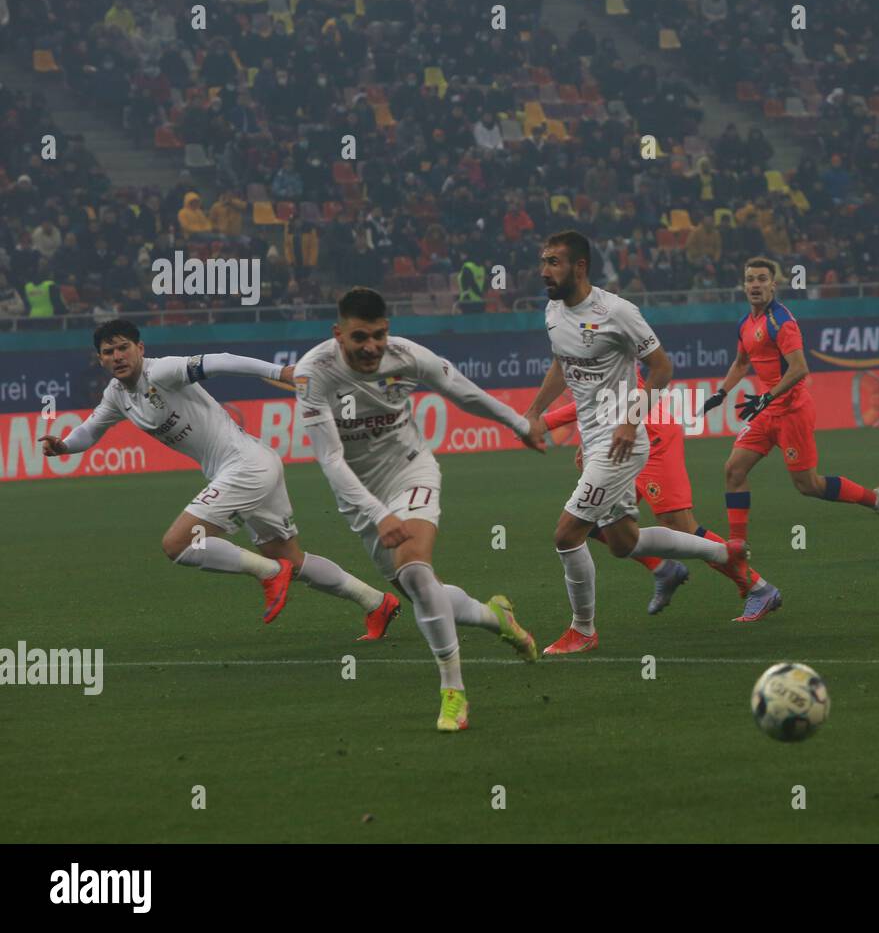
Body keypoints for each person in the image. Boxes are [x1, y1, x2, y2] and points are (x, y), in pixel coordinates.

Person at [39, 319, 401, 639]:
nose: (118, 356)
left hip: (245, 467)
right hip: (253, 465)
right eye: (109, 351)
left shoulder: (162, 372)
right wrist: (64, 445)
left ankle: (269, 573)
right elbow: (90, 430)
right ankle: (375, 602)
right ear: (100, 359)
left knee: (178, 544)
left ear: (140, 348)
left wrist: (280, 373)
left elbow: (221, 361)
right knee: (291, 556)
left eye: (123, 347)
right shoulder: (117, 396)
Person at [292, 288, 545, 732]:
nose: (371, 347)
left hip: (411, 473)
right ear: (338, 335)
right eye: (359, 338)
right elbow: (331, 460)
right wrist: (377, 514)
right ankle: (495, 618)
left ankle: (454, 694)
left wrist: (519, 423)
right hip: (360, 497)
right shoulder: (315, 373)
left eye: (379, 335)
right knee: (425, 593)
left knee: (413, 570)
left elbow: (460, 390)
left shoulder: (407, 356)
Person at [523, 231, 750, 655]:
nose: (544, 271)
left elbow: (662, 367)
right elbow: (562, 362)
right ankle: (723, 553)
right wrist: (535, 411)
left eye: (554, 262)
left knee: (567, 534)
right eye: (543, 261)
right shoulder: (553, 311)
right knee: (625, 543)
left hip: (620, 444)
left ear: (580, 267)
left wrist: (630, 421)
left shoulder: (618, 312)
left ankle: (583, 631)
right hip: (594, 444)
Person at [543, 367, 783, 622]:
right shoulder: (588, 342)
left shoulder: (611, 337)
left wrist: (544, 422)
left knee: (683, 529)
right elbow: (601, 401)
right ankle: (662, 568)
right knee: (588, 519)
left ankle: (759, 588)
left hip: (653, 437)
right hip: (623, 440)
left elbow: (619, 396)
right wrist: (590, 441)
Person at [700, 257, 879, 544]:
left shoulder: (780, 321)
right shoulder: (746, 323)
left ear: (773, 285)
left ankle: (876, 500)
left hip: (792, 411)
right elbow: (741, 362)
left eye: (762, 279)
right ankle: (737, 546)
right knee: (734, 469)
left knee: (809, 485)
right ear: (744, 285)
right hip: (766, 411)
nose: (755, 285)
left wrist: (766, 396)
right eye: (750, 279)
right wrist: (721, 393)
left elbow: (800, 368)